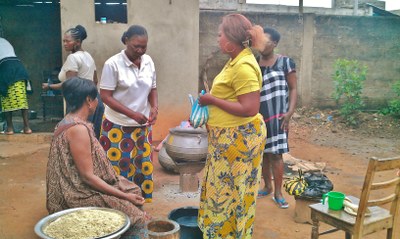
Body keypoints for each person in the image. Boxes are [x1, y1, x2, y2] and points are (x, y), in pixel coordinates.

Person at [46, 77, 150, 238]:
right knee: (136, 216)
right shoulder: (78, 129)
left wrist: (120, 187)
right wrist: (124, 196)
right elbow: (87, 178)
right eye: (96, 99)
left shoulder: (69, 121)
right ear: (88, 100)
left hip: (78, 184)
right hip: (76, 194)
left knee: (132, 188)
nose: (97, 103)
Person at [197, 13, 267, 238]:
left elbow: (250, 108)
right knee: (223, 192)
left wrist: (212, 100)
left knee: (233, 193)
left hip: (239, 144)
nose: (217, 39)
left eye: (220, 34)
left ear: (231, 38)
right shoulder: (235, 62)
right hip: (228, 143)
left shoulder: (244, 67)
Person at [99, 25, 158, 203]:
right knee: (118, 166)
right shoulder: (113, 64)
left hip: (142, 126)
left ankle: (139, 203)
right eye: (135, 46)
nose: (140, 50)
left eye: (144, 46)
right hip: (117, 126)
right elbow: (105, 96)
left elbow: (152, 88)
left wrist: (154, 107)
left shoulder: (148, 61)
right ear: (125, 41)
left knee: (141, 166)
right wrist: (132, 114)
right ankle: (119, 204)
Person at [257, 27, 298, 209]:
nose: (261, 45)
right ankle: (267, 186)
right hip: (259, 116)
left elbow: (293, 88)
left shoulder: (285, 63)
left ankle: (278, 193)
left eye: (265, 41)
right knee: (263, 154)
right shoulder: (255, 63)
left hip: (278, 116)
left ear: (274, 44)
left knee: (276, 155)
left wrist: (289, 113)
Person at [41, 25, 104, 139]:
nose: (65, 43)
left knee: (77, 137)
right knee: (93, 139)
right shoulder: (88, 56)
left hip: (79, 103)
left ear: (78, 42)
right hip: (95, 100)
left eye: (68, 41)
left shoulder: (73, 58)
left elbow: (70, 84)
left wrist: (50, 86)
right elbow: (95, 80)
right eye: (64, 41)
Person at [0, 37, 32, 135]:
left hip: (6, 68)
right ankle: (27, 128)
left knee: (6, 99)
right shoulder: (4, 40)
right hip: (19, 68)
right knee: (22, 99)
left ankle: (9, 129)